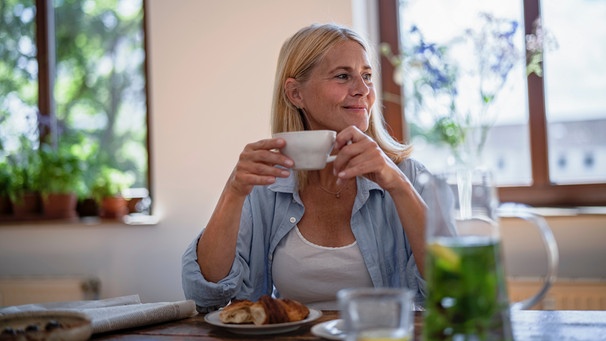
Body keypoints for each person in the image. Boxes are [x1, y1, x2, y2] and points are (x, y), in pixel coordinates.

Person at [182, 23, 431, 312]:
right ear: (295, 94)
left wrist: (397, 184)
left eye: (366, 76)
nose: (363, 90)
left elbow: (453, 286)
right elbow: (205, 294)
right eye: (342, 76)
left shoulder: (409, 176)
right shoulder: (266, 183)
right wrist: (233, 191)